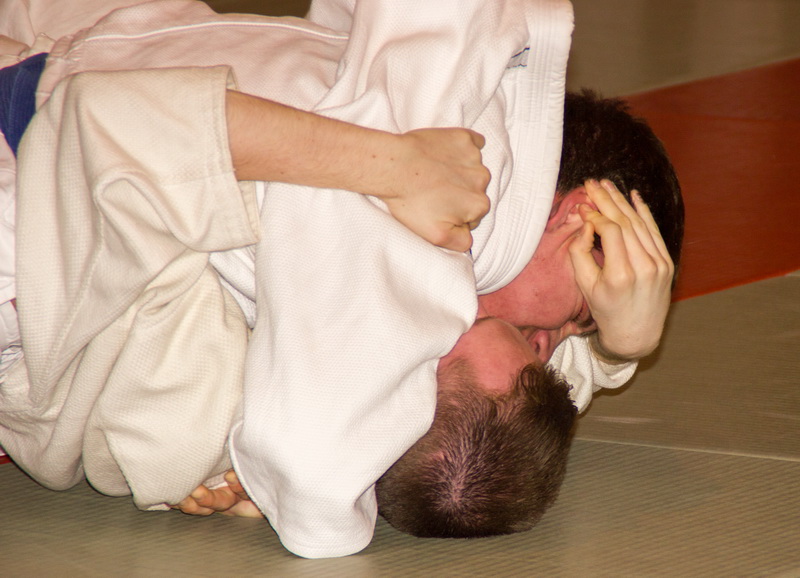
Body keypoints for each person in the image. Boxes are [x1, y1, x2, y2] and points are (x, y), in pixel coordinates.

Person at [0, 0, 680, 558]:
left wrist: (621, 344)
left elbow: (494, 396)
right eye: (574, 320)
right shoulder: (461, 199)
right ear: (583, 218)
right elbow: (320, 464)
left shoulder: (468, 196)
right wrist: (384, 164)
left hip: (87, 60)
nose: (550, 342)